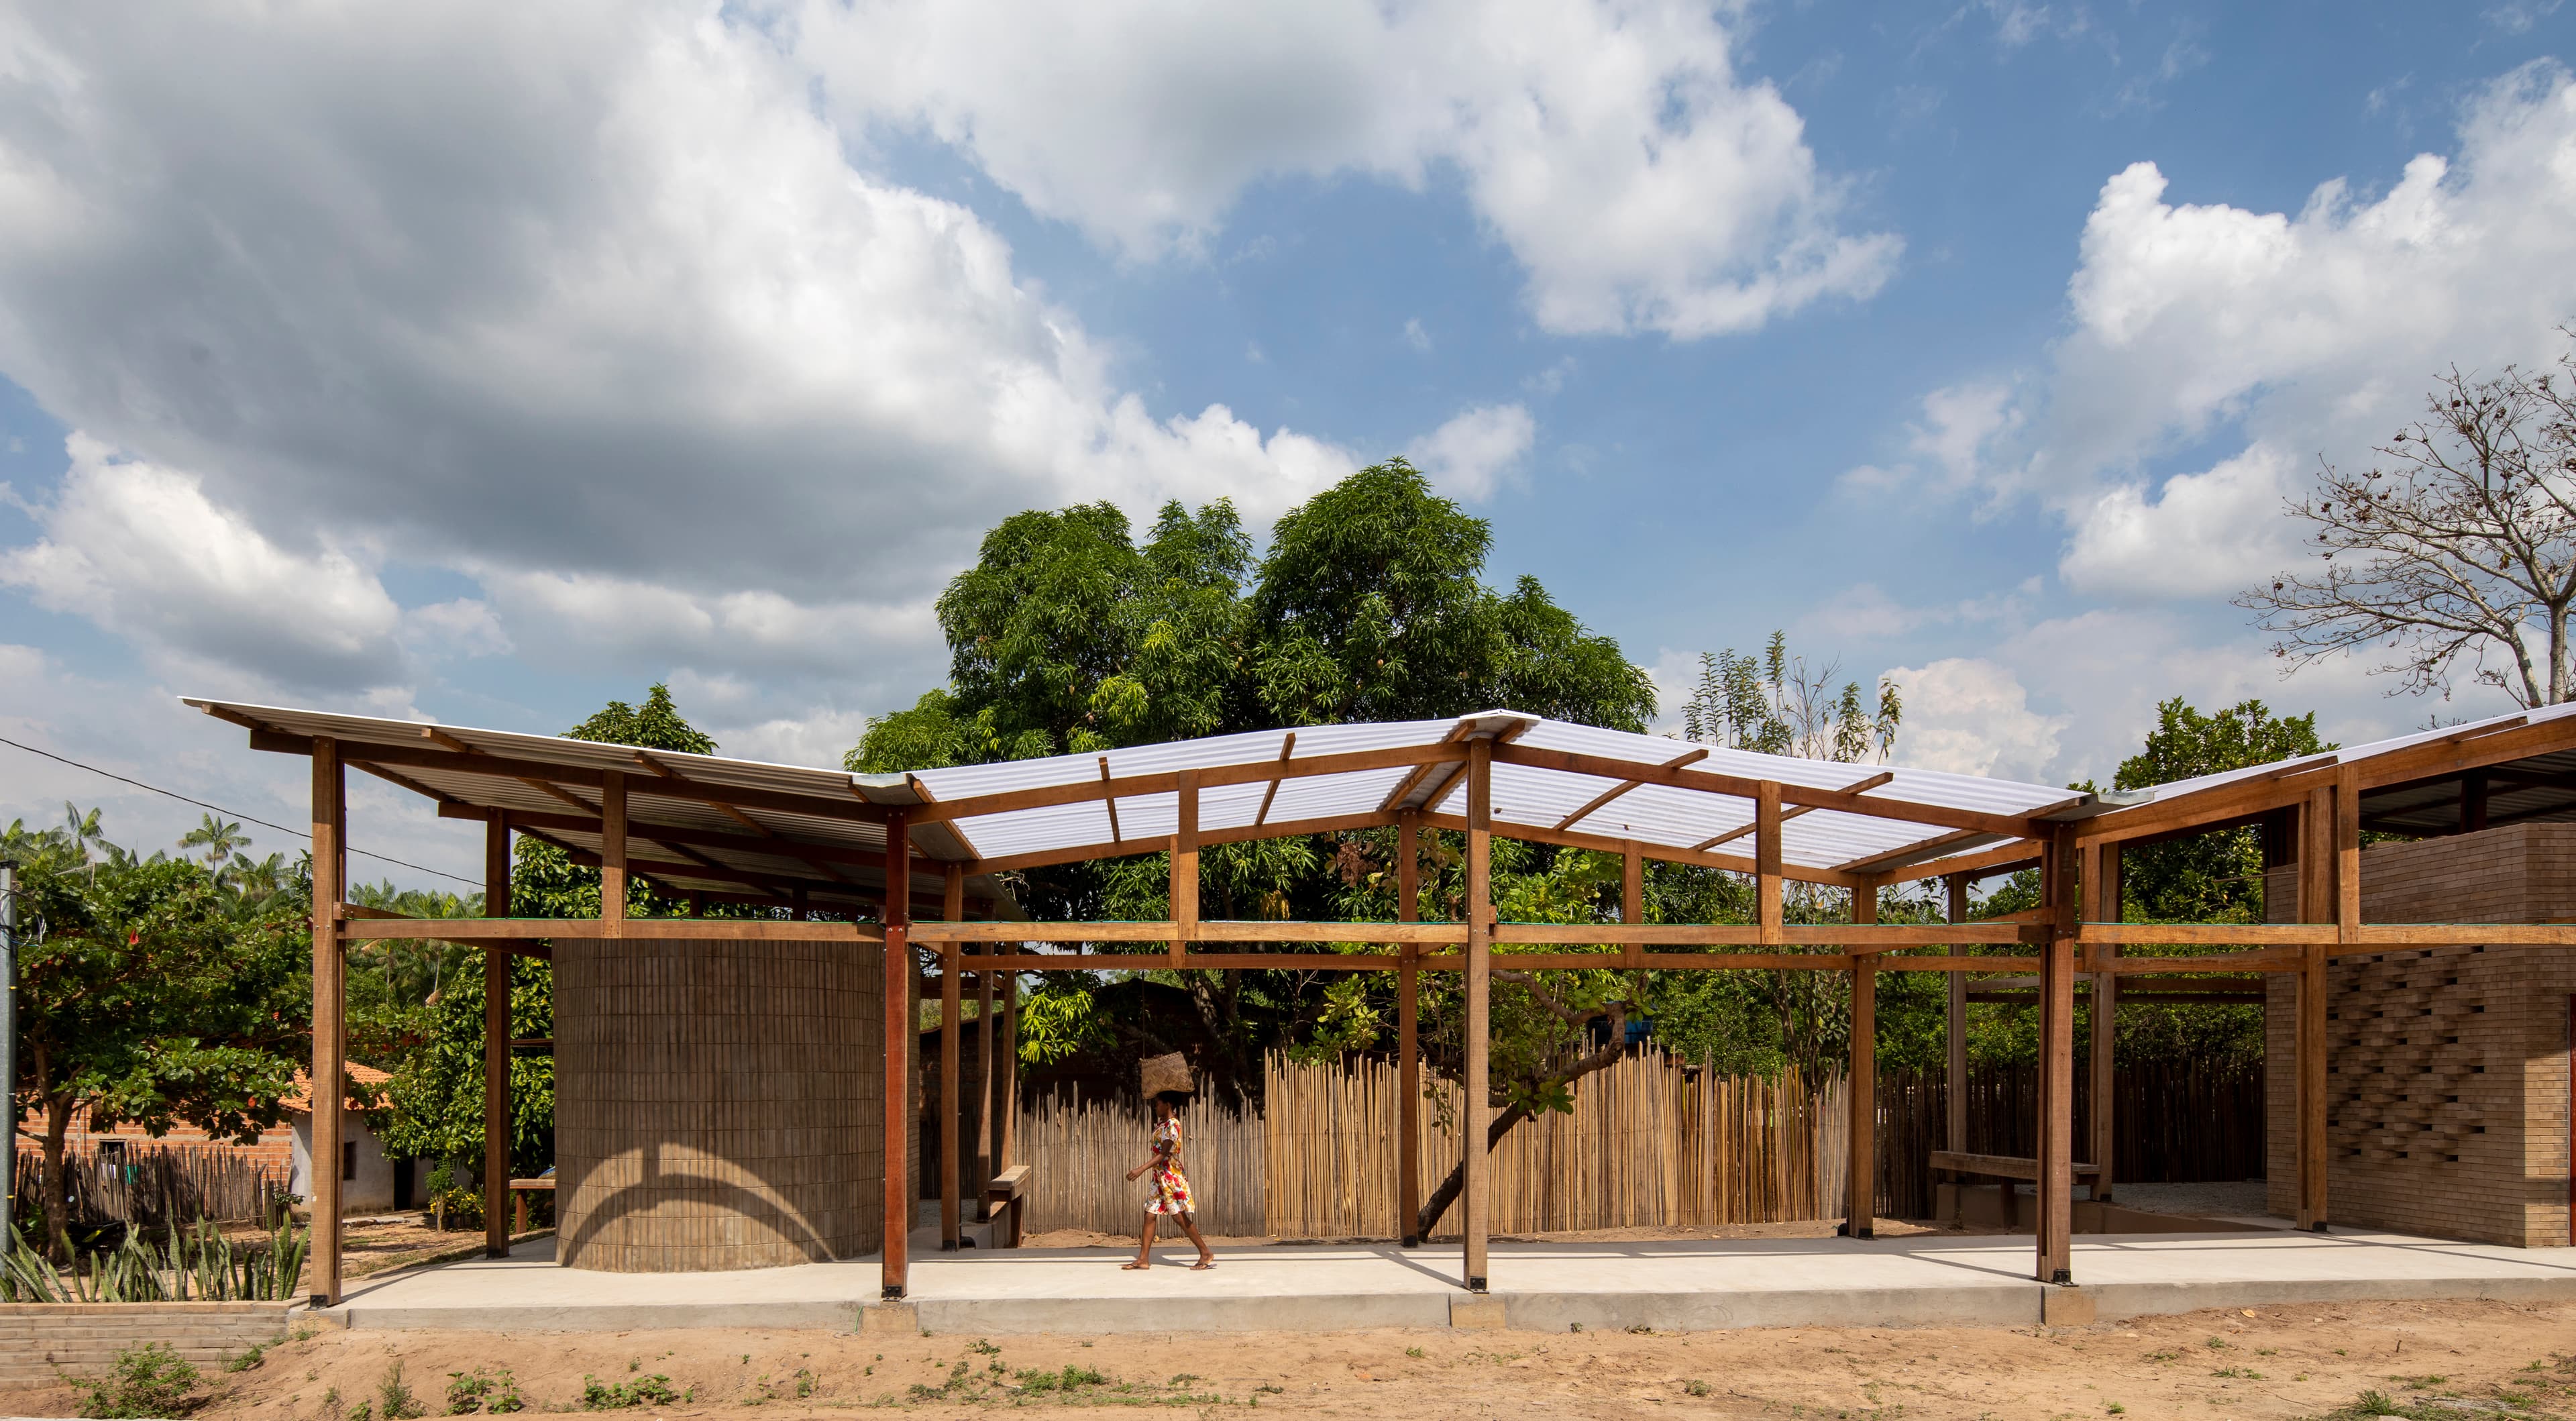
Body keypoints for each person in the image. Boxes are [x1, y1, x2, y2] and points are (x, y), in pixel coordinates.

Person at [1122, 1091, 1214, 1270]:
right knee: (1150, 1214)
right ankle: (1143, 1259)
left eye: (1158, 1103)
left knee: (1178, 1216)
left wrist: (1140, 1169)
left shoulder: (1173, 1125)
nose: (1156, 1106)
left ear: (1168, 1104)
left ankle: (1205, 1253)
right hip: (1159, 1177)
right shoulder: (1163, 1124)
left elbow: (1163, 1154)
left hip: (1170, 1176)